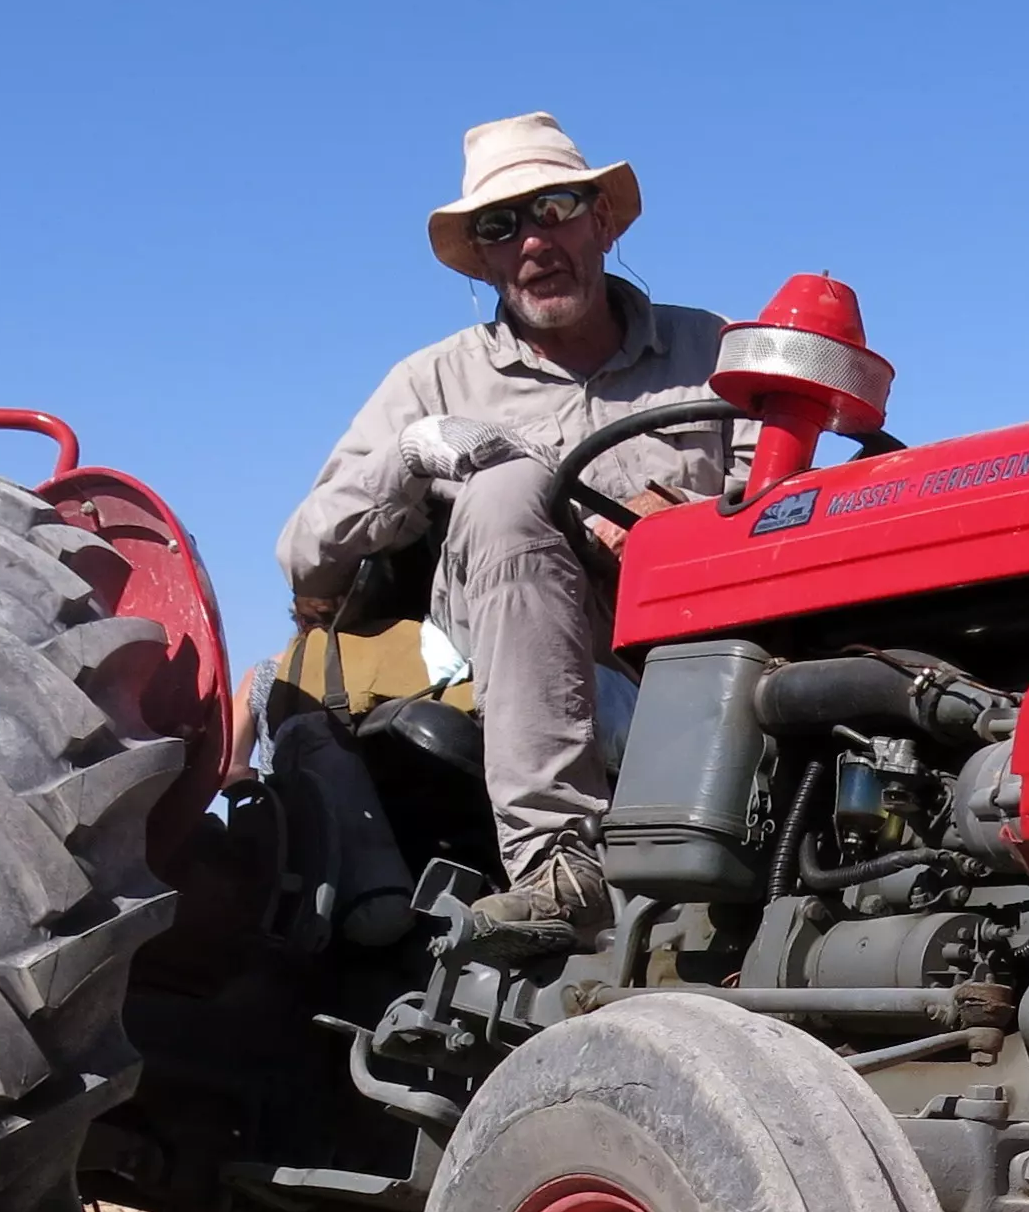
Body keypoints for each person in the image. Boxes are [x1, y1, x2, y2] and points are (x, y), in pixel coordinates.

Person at [276, 113, 731, 958]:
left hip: (685, 656)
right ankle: (557, 862)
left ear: (602, 219)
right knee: (515, 488)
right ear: (480, 257)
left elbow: (787, 491)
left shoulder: (714, 350)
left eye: (554, 206)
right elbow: (305, 551)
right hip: (499, 646)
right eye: (500, 225)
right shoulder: (432, 379)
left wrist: (684, 521)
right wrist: (413, 457)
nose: (531, 240)